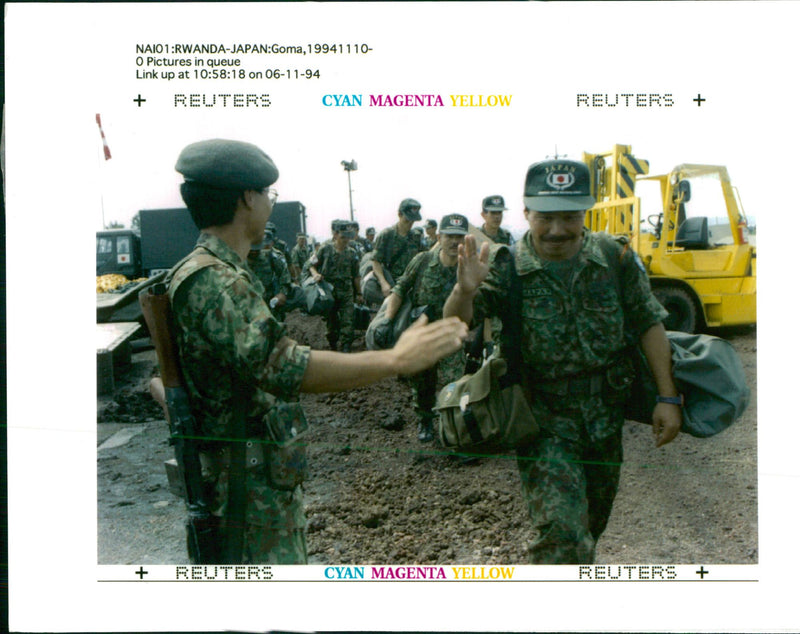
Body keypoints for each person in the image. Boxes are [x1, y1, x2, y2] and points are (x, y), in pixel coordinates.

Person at [168, 139, 468, 564]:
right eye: (267, 195)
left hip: (252, 479)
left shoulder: (221, 271)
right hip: (243, 493)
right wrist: (394, 360)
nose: (270, 205)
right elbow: (283, 365)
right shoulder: (217, 280)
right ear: (246, 199)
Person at [443, 158, 681, 564]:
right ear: (527, 213)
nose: (557, 230)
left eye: (570, 217)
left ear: (585, 213)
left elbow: (649, 324)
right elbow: (456, 322)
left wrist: (668, 398)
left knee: (590, 525)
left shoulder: (614, 257)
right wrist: (464, 290)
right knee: (562, 537)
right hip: (543, 420)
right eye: (546, 217)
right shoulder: (507, 266)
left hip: (605, 418)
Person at [384, 214, 469, 443]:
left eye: (459, 237)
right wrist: (387, 319)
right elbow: (400, 288)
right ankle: (424, 420)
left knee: (453, 384)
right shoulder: (422, 260)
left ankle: (451, 432)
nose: (454, 242)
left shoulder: (469, 266)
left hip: (452, 336)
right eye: (449, 236)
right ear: (439, 236)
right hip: (423, 334)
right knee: (422, 384)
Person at [307, 219, 362, 353]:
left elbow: (356, 276)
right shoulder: (325, 249)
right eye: (343, 237)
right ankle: (333, 345)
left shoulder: (352, 253)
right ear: (335, 235)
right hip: (329, 292)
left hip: (346, 292)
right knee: (332, 324)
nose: (346, 240)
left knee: (348, 321)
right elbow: (311, 265)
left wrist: (359, 293)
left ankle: (345, 348)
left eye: (348, 237)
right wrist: (315, 274)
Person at [371, 198, 423, 299]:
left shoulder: (416, 237)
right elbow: (376, 262)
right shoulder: (386, 235)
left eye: (413, 221)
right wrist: (383, 283)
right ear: (399, 214)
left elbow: (424, 258)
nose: (410, 224)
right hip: (391, 284)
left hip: (410, 285)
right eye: (407, 220)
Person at [246, 226, 293, 322]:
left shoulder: (272, 257)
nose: (254, 251)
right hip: (247, 306)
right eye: (251, 249)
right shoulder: (237, 258)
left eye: (256, 248)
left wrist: (282, 293)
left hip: (270, 305)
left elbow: (285, 278)